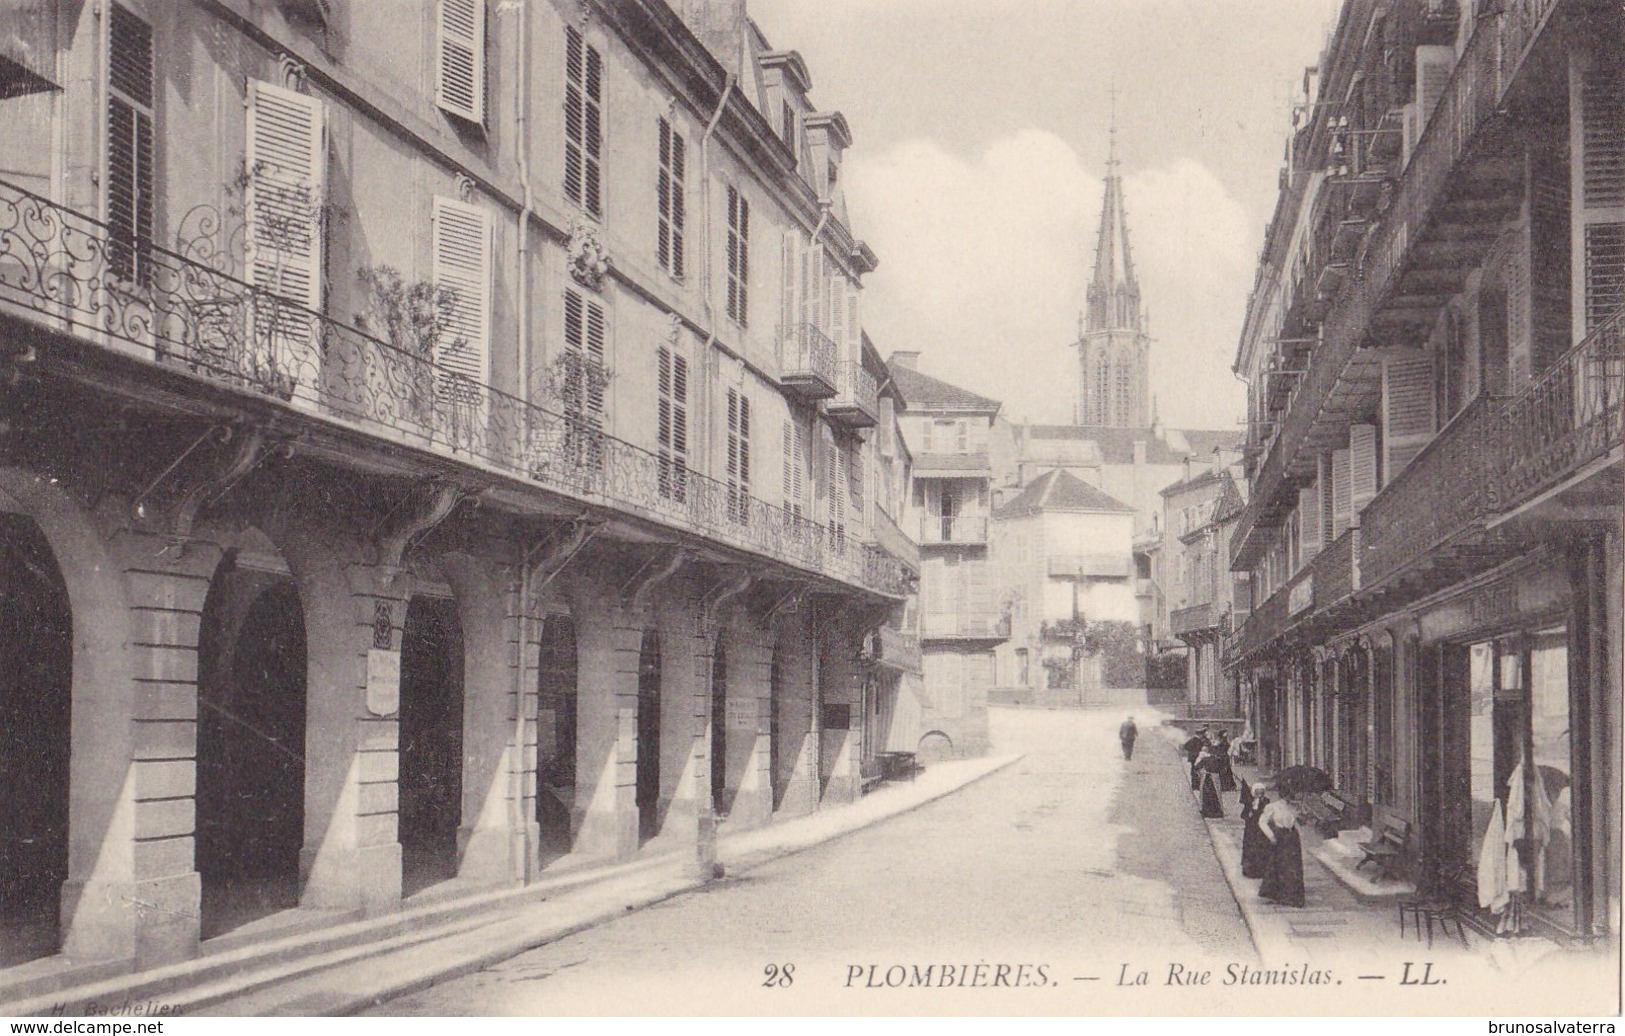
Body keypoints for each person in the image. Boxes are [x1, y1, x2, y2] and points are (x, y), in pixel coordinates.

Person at [1257, 796, 1305, 906]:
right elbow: (1262, 822)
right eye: (1286, 795)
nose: (1288, 799)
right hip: (1280, 836)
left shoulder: (1293, 807)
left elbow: (1297, 823)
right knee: (1279, 865)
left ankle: (1293, 896)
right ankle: (1278, 894)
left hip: (1292, 837)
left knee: (1293, 867)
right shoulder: (1272, 807)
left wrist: (1301, 818)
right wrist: (1271, 836)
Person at [1240, 780, 1272, 880]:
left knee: (1261, 849)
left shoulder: (1267, 801)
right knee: (1250, 849)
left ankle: (1260, 870)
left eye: (1261, 792)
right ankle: (1249, 870)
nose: (1259, 794)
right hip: (1251, 829)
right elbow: (1243, 815)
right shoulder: (1250, 801)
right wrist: (1249, 813)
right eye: (1257, 792)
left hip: (1261, 830)